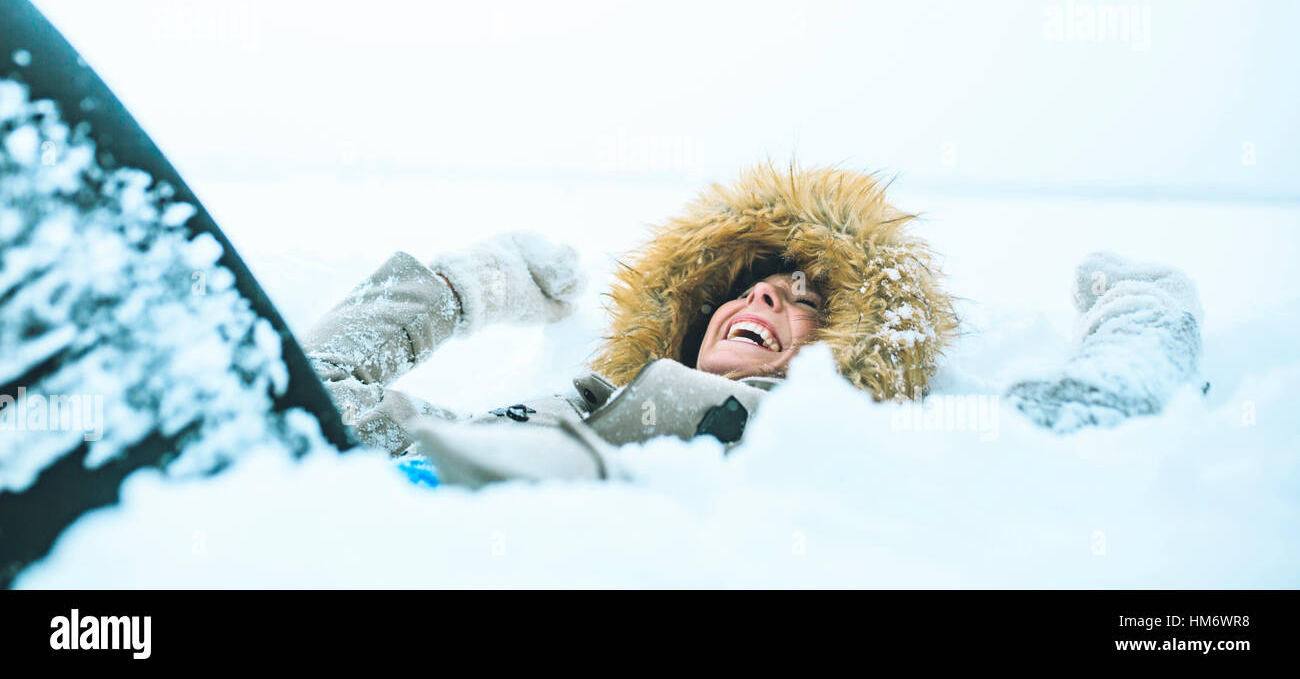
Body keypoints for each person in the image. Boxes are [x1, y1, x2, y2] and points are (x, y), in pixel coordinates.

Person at [301, 162, 1204, 488]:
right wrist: (475, 285)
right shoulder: (565, 401)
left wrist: (1144, 311)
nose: (768, 300)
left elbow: (1073, 426)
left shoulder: (831, 444)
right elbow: (312, 395)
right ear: (696, 316)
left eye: (809, 300)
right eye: (754, 289)